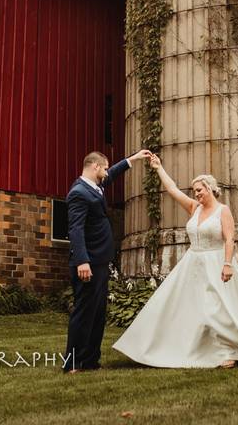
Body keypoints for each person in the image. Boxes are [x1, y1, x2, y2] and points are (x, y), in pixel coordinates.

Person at [112, 154, 238, 368]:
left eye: (199, 190)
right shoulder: (194, 208)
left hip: (215, 263)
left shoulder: (223, 211)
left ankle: (229, 351)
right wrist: (158, 168)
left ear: (211, 189)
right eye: (195, 191)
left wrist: (227, 264)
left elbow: (229, 238)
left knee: (216, 309)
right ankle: (172, 347)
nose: (196, 194)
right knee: (176, 306)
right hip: (192, 264)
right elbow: (173, 190)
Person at [64, 148, 151, 374]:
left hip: (100, 262)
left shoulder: (95, 186)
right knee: (84, 313)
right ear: (95, 167)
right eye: (103, 167)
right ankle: (72, 363)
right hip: (87, 263)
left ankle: (91, 360)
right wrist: (82, 260)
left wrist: (133, 159)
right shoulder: (79, 192)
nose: (106, 171)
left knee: (98, 313)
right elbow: (75, 229)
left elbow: (111, 173)